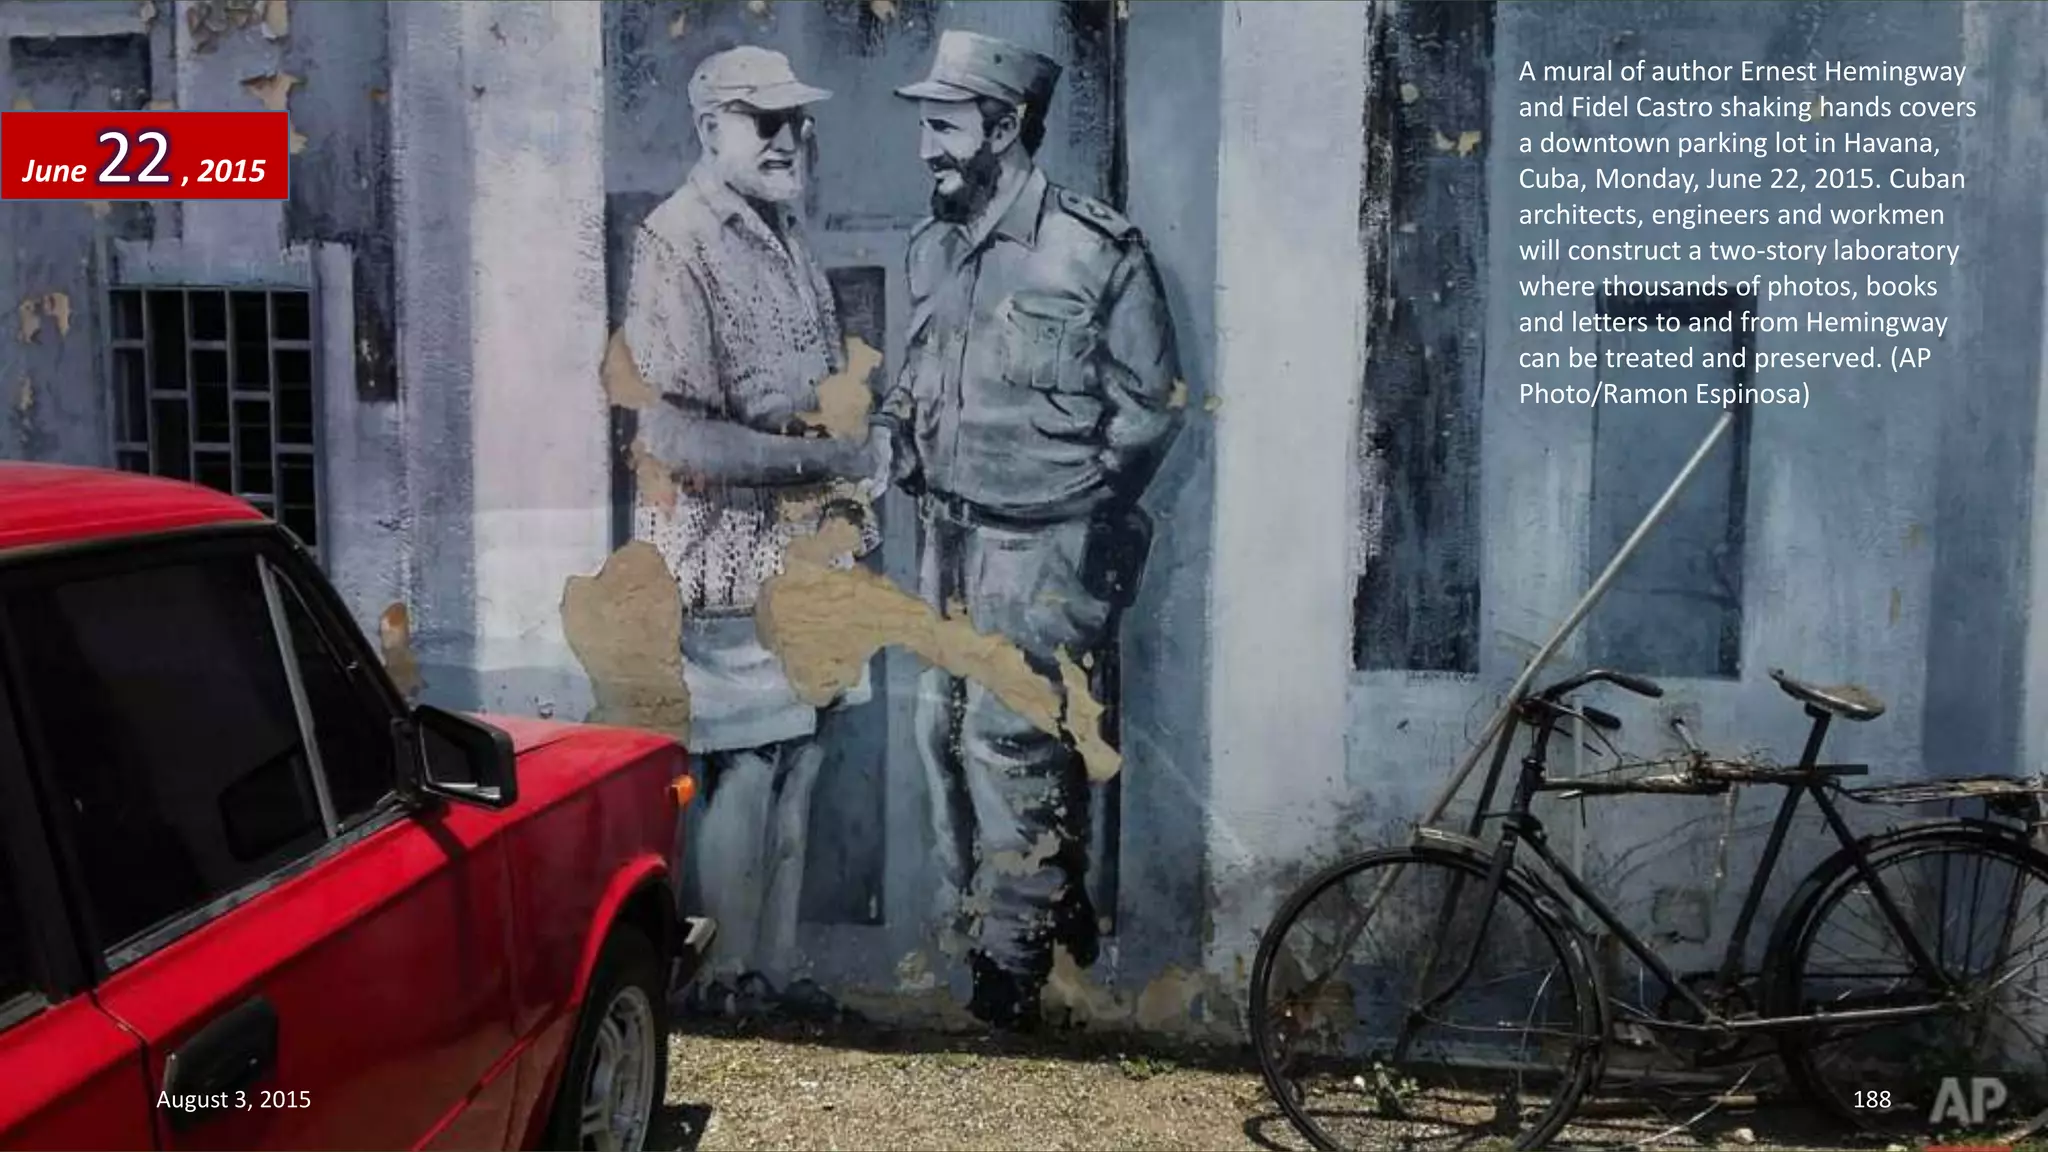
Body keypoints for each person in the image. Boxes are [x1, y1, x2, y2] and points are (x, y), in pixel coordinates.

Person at [868, 30, 1184, 1030]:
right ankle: (1020, 911)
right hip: (946, 538)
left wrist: (1073, 507)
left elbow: (1151, 406)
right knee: (944, 737)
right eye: (924, 123)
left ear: (1004, 126)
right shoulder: (933, 244)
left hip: (1039, 544)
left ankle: (1009, 964)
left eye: (943, 123)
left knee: (1010, 746)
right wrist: (891, 436)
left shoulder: (1095, 251)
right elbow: (916, 378)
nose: (926, 146)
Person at [621, 45, 878, 1005]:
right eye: (761, 120)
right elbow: (677, 432)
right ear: (709, 130)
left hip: (807, 553)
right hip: (725, 554)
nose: (787, 137)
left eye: (795, 119)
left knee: (800, 756)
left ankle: (769, 974)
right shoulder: (677, 238)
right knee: (745, 760)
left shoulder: (779, 229)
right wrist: (825, 456)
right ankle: (727, 985)